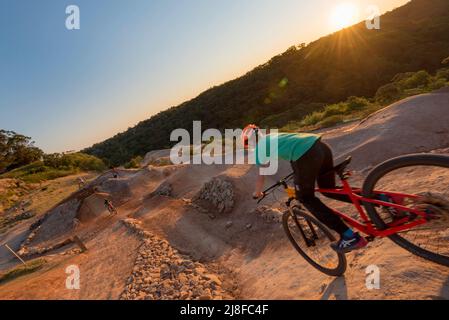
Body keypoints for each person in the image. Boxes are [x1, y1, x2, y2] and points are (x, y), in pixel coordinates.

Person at [247, 126, 368, 253]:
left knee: (305, 198)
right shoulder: (273, 137)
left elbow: (261, 175)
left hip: (305, 155)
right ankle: (380, 199)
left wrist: (258, 193)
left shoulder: (259, 149)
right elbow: (294, 151)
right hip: (320, 147)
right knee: (328, 190)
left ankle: (349, 236)